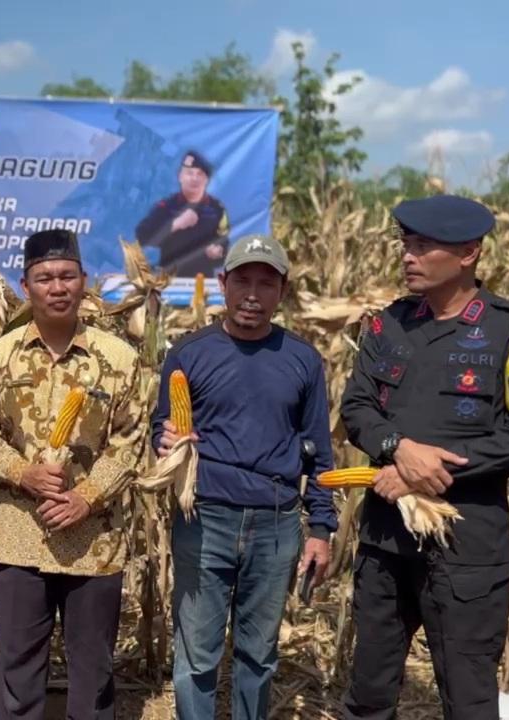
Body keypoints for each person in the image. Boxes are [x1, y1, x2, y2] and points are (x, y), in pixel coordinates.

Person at [339, 195, 509, 720]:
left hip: (468, 546)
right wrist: (398, 450)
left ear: (468, 253)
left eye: (422, 246)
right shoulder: (386, 325)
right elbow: (357, 406)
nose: (407, 257)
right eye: (405, 245)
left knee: (468, 700)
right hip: (385, 536)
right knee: (368, 694)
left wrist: (428, 472)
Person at [152, 234, 337, 720]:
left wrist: (321, 527)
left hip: (276, 522)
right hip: (204, 517)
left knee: (258, 654)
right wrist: (165, 441)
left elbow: (320, 449)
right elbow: (161, 427)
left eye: (266, 282)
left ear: (283, 291)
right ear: (222, 284)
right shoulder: (188, 355)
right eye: (242, 281)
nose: (253, 294)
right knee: (197, 654)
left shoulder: (302, 360)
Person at [0, 229, 147, 720]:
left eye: (67, 275)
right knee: (18, 676)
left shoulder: (118, 361)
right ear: (26, 287)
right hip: (19, 539)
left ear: (84, 282)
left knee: (92, 678)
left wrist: (87, 496)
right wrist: (23, 472)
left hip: (93, 543)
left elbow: (130, 443)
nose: (57, 286)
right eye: (44, 277)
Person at [135, 150, 227, 277]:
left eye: (200, 174)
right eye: (189, 173)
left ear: (206, 179)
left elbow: (225, 245)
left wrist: (218, 252)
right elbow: (142, 237)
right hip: (169, 279)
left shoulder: (217, 209)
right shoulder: (166, 207)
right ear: (180, 177)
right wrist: (175, 224)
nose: (194, 178)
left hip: (202, 280)